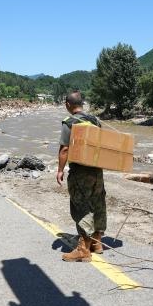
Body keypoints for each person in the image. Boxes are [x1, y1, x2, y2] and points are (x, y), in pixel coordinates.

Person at [56, 90, 106, 261]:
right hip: (97, 170)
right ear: (82, 104)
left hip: (80, 172)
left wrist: (60, 170)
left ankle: (83, 249)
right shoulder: (95, 121)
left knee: (81, 206)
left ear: (68, 105)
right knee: (98, 203)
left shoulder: (69, 122)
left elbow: (65, 149)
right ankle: (97, 243)